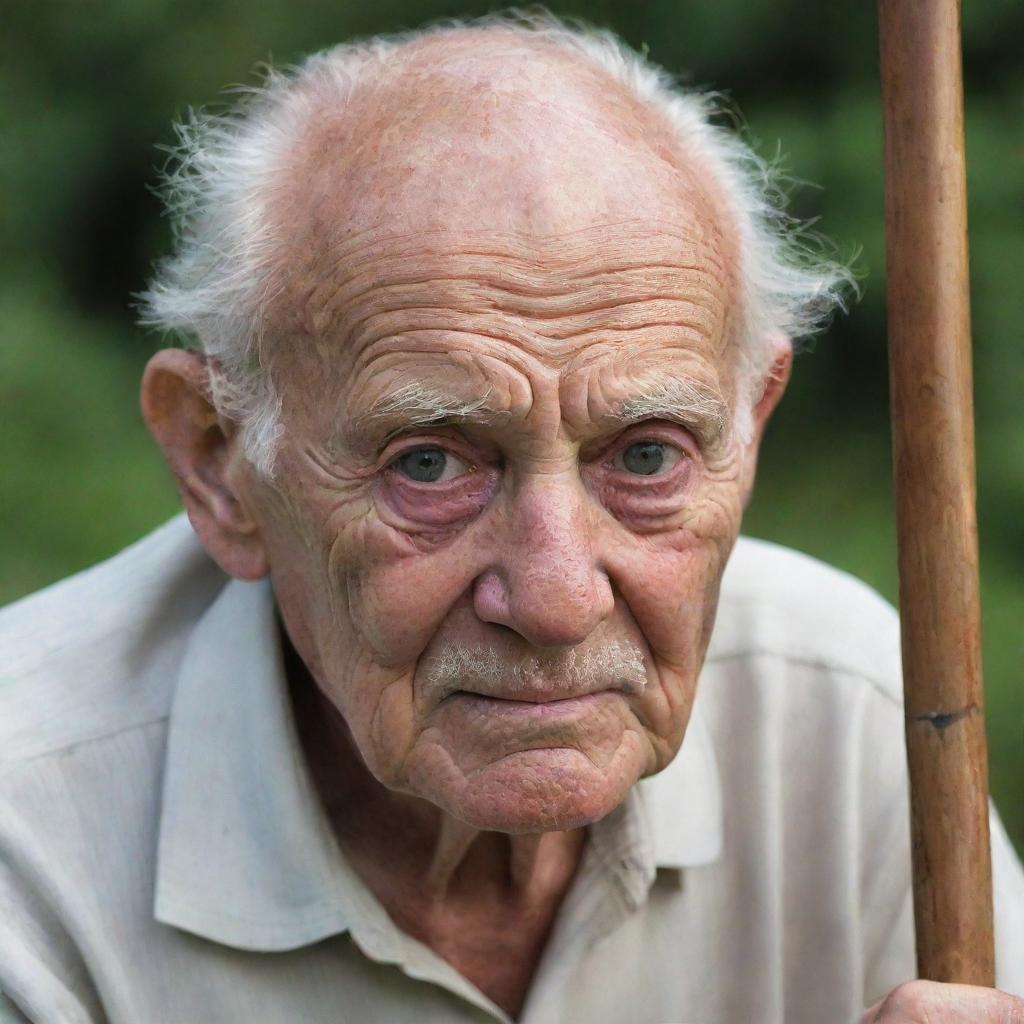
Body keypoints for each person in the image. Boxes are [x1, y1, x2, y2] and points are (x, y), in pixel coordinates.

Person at [1, 13, 1022, 1024]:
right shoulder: (28, 833)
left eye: (646, 454)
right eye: (432, 463)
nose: (555, 598)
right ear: (220, 463)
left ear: (749, 430)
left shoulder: (853, 714)